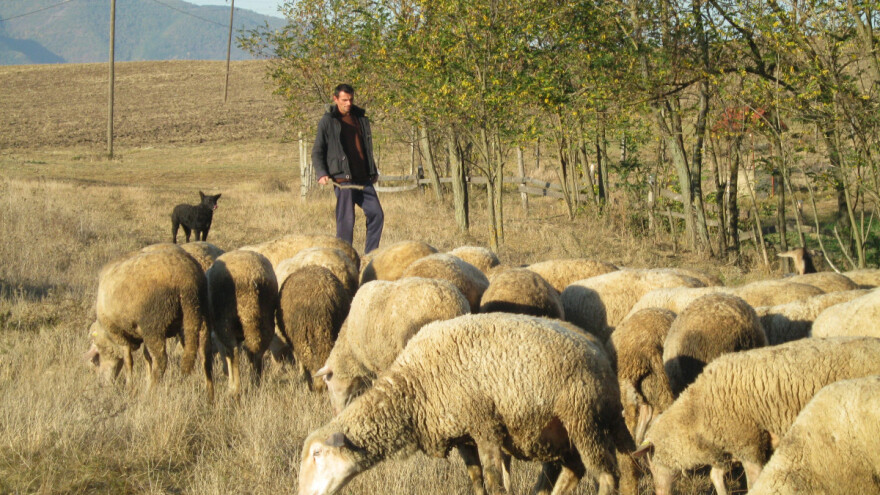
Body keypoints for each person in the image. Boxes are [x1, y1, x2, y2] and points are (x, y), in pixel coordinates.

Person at [312, 84, 384, 254]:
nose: (348, 103)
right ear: (335, 99)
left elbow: (365, 147)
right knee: (346, 222)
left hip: (363, 178)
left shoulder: (361, 118)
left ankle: (370, 256)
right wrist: (322, 173)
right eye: (344, 100)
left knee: (377, 215)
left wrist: (371, 169)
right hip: (343, 179)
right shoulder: (328, 121)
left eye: (350, 99)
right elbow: (317, 150)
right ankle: (344, 258)